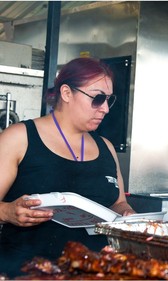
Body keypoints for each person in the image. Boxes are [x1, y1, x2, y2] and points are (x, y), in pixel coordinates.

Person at [0, 57, 135, 278]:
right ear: (66, 93)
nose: (105, 109)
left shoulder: (106, 148)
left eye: (108, 100)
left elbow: (118, 202)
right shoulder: (20, 138)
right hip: (27, 272)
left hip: (92, 273)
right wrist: (6, 212)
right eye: (97, 98)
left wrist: (126, 214)